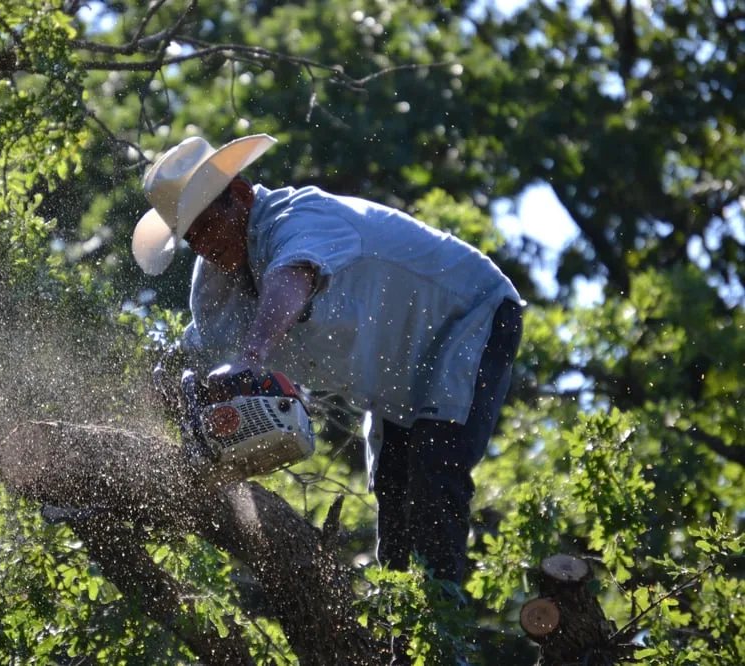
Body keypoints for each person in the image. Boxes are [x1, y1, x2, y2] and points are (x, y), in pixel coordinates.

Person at [132, 133, 523, 583]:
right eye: (190, 237)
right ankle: (403, 633)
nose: (202, 245)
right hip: (395, 379)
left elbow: (292, 276)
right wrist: (170, 387)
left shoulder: (298, 217)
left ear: (237, 195)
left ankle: (445, 629)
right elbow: (201, 349)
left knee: (437, 477)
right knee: (395, 502)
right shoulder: (215, 277)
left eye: (206, 226)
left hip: (468, 314)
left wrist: (253, 356)